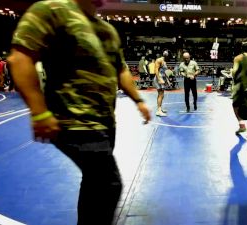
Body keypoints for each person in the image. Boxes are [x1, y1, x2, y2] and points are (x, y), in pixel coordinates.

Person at [8, 0, 151, 224]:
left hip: (104, 123)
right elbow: (20, 57)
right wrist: (39, 112)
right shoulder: (52, 10)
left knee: (93, 183)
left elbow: (121, 69)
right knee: (108, 184)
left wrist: (138, 100)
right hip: (74, 120)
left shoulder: (107, 30)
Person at [154, 50, 170, 116]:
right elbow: (156, 70)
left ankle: (159, 109)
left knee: (161, 95)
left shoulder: (164, 62)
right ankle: (159, 111)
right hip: (159, 79)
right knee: (160, 95)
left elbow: (164, 72)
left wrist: (167, 80)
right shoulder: (159, 60)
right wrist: (159, 79)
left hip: (162, 78)